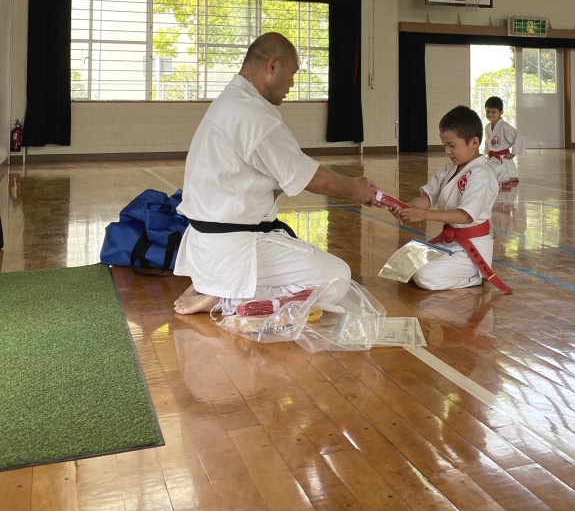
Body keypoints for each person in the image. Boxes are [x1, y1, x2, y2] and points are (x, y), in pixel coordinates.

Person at [172, 32, 376, 315]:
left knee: (308, 261)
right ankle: (226, 296)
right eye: (292, 73)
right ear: (272, 66)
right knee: (338, 277)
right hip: (232, 247)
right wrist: (355, 187)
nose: (292, 83)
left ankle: (216, 285)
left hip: (208, 246)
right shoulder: (253, 114)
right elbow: (312, 180)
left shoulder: (230, 100)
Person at [391, 105, 498, 291]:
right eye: (445, 146)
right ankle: (452, 269)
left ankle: (474, 276)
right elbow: (427, 197)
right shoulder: (449, 169)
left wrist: (423, 215)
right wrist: (404, 208)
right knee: (405, 261)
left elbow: (465, 216)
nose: (447, 151)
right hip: (449, 243)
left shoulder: (482, 174)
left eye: (452, 146)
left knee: (424, 276)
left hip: (472, 249)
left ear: (474, 142)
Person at [483, 96, 525, 184]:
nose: (490, 114)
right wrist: (488, 153)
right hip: (493, 160)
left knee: (487, 176)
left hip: (503, 161)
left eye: (494, 112)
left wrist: (512, 154)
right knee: (480, 172)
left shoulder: (504, 127)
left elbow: (520, 137)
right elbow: (488, 142)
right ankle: (505, 177)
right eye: (488, 111)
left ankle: (508, 177)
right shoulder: (487, 127)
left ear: (501, 112)